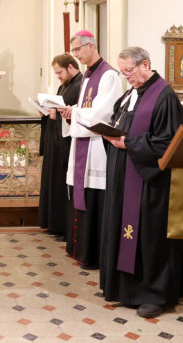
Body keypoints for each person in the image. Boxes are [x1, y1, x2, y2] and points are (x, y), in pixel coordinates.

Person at [99, 47, 183, 318]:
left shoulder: (165, 97)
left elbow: (169, 142)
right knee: (125, 229)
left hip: (150, 183)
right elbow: (120, 122)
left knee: (149, 236)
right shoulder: (130, 94)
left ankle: (154, 295)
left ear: (145, 65)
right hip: (125, 177)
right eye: (123, 72)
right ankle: (126, 289)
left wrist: (129, 142)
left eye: (129, 71)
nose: (126, 77)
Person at [60, 31, 120, 269]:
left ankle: (93, 254)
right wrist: (70, 111)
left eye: (78, 50)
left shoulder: (109, 75)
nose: (75, 55)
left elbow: (102, 112)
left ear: (91, 46)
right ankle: (79, 248)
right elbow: (86, 106)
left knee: (95, 197)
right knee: (81, 191)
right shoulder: (88, 74)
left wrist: (74, 112)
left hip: (97, 147)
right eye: (73, 51)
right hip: (83, 143)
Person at [37, 53, 82, 242]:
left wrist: (58, 115)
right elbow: (57, 107)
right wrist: (46, 111)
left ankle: (64, 227)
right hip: (54, 141)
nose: (58, 76)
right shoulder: (65, 84)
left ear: (70, 67)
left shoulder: (80, 85)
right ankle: (53, 223)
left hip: (65, 144)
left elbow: (78, 113)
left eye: (59, 72)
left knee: (62, 184)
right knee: (53, 181)